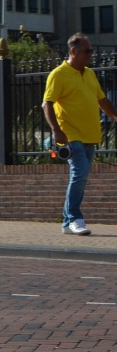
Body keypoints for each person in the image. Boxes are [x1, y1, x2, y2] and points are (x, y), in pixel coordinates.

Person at [41, 33, 116, 236]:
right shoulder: (58, 74)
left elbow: (102, 100)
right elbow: (46, 103)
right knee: (80, 171)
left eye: (91, 51)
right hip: (70, 133)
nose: (90, 54)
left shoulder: (90, 74)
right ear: (73, 51)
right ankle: (75, 218)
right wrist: (57, 131)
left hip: (90, 134)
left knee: (81, 175)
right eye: (87, 51)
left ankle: (67, 221)